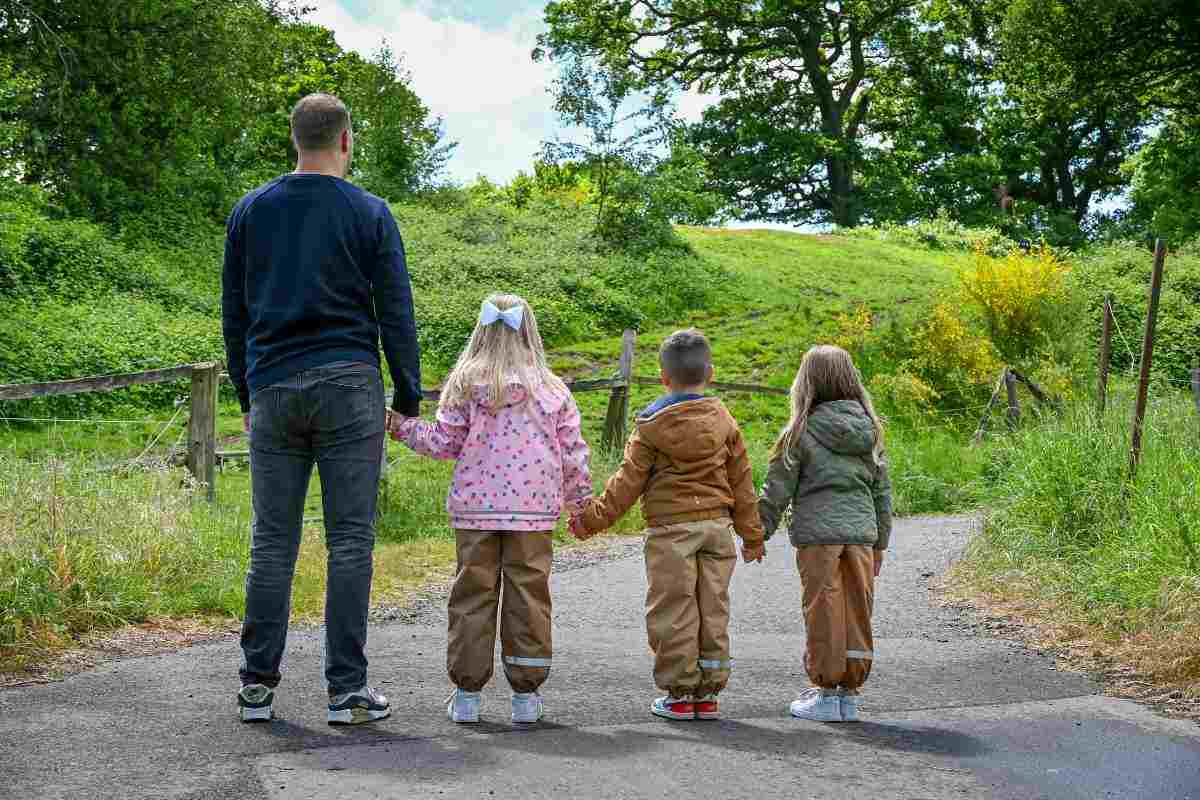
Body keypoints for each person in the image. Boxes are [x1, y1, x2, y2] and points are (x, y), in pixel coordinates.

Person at [222, 93, 421, 725]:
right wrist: (407, 396)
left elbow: (234, 313)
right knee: (350, 541)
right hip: (349, 386)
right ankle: (347, 691)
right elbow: (395, 309)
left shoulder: (251, 210)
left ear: (294, 139)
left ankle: (257, 686)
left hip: (273, 386)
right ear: (345, 141)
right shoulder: (370, 212)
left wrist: (246, 393)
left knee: (272, 542)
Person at [388, 293, 591, 725]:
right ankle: (526, 696)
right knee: (529, 597)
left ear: (481, 332)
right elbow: (573, 454)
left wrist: (401, 426)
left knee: (472, 596)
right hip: (534, 512)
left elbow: (443, 442)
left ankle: (467, 695)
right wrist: (580, 505)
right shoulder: (553, 391)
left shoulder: (465, 385)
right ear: (530, 333)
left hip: (476, 511)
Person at [569, 328, 765, 721]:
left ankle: (680, 693)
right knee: (713, 607)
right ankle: (708, 693)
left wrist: (591, 519)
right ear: (710, 373)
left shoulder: (650, 426)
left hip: (670, 531)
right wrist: (752, 536)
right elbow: (742, 483)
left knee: (674, 610)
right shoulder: (725, 422)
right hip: (717, 529)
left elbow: (626, 484)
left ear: (663, 377)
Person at [757, 344, 892, 723]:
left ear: (807, 383)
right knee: (857, 610)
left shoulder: (799, 432)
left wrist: (757, 532)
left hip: (818, 540)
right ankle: (849, 693)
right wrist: (880, 543)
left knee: (823, 611)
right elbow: (882, 492)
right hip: (861, 538)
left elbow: (777, 489)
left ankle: (827, 692)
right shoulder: (870, 431)